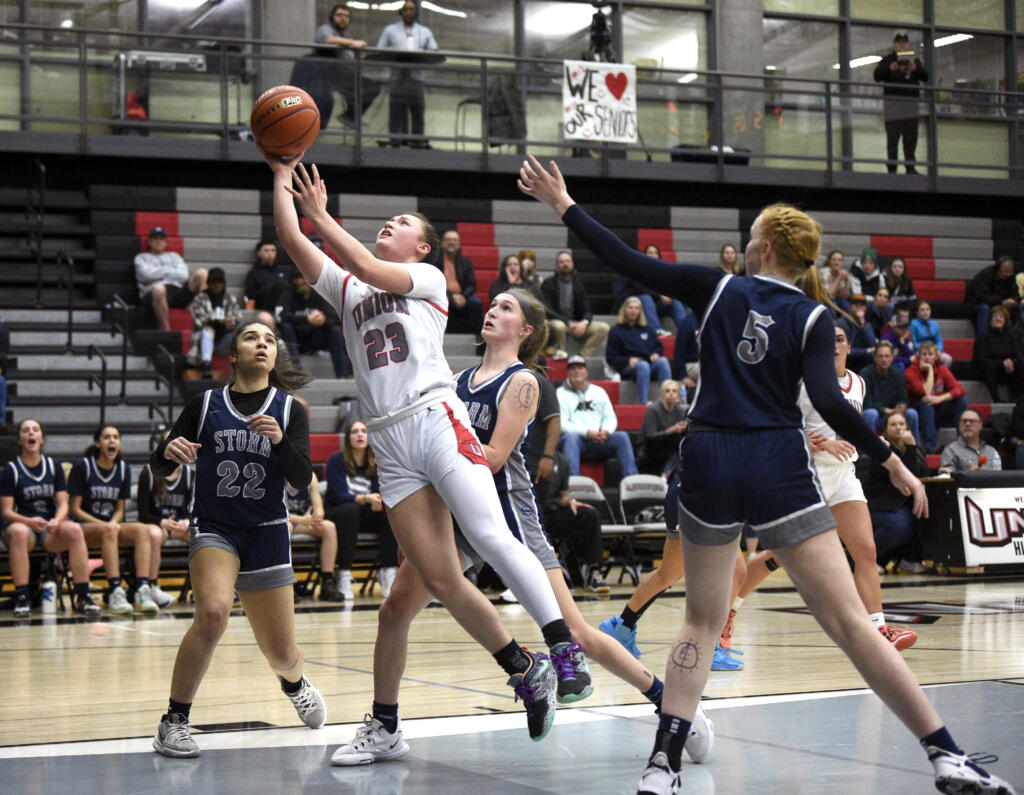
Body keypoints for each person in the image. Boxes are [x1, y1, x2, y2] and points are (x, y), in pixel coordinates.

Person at [518, 155, 1012, 795]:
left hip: (711, 458)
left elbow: (628, 263)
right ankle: (945, 753)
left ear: (767, 245)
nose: (745, 242)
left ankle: (661, 767)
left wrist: (565, 204)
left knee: (700, 622)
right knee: (851, 623)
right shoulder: (815, 318)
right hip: (777, 462)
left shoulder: (719, 288)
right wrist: (892, 459)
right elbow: (833, 406)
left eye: (752, 234)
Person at [267, 154, 589, 747]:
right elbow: (291, 237)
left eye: (400, 223)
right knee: (439, 578)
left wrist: (323, 214)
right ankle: (521, 669)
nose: (388, 226)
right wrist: (282, 176)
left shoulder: (430, 281)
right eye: (386, 220)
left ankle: (563, 650)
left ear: (423, 248)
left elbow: (359, 256)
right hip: (389, 439)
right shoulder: (346, 289)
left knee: (491, 534)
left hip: (435, 417)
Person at [331, 288, 712, 766]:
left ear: (526, 330)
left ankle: (672, 704)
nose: (492, 310)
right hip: (459, 518)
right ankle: (385, 724)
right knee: (393, 612)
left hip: (510, 518)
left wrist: (431, 451)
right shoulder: (456, 380)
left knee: (578, 635)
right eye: (491, 304)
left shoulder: (523, 382)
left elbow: (490, 458)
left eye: (506, 308)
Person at [150, 321, 326, 758]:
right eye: (252, 337)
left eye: (269, 339)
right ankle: (173, 720)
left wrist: (282, 442)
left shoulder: (290, 410)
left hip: (267, 532)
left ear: (275, 355)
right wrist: (166, 455)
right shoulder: (205, 403)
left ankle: (294, 683)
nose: (262, 344)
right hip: (215, 526)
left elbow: (302, 477)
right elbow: (161, 467)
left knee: (282, 652)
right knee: (212, 614)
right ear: (233, 353)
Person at [730, 324, 918, 653]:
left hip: (845, 476)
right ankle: (727, 613)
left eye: (840, 339)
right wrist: (819, 444)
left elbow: (854, 429)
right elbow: (777, 429)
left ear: (849, 347)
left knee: (866, 552)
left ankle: (879, 628)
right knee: (779, 556)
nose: (833, 345)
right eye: (827, 340)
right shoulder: (803, 383)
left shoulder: (858, 383)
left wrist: (873, 443)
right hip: (807, 475)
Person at [0, 418, 101, 617]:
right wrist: (28, 521)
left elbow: (63, 503)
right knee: (19, 532)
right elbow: (6, 511)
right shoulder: (11, 469)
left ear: (42, 438)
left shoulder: (53, 466)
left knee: (74, 529)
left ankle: (83, 596)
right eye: (26, 430)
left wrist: (57, 519)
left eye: (35, 430)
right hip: (21, 527)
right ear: (20, 439)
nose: (31, 433)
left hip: (48, 528)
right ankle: (22, 597)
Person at [68, 425, 161, 614]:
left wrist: (113, 523)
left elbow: (120, 509)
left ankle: (142, 589)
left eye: (116, 437)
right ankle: (115, 591)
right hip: (85, 529)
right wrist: (105, 525)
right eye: (107, 437)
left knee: (142, 530)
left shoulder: (123, 469)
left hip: (111, 528)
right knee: (110, 530)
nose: (112, 441)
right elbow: (74, 509)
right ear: (97, 443)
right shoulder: (83, 467)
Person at [324, 419, 399, 600]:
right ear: (348, 438)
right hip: (339, 515)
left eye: (364, 431)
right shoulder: (337, 460)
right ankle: (343, 574)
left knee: (388, 512)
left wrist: (378, 500)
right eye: (355, 431)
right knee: (350, 510)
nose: (360, 434)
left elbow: (380, 491)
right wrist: (365, 498)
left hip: (364, 515)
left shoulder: (376, 462)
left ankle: (388, 571)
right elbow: (336, 495)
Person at [859, 411, 931, 573]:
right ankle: (864, 559)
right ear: (885, 429)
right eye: (893, 425)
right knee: (900, 525)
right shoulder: (884, 448)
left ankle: (910, 559)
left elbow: (922, 474)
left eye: (901, 424)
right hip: (882, 503)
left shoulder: (916, 448)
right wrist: (911, 447)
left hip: (904, 502)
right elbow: (907, 476)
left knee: (930, 517)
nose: (898, 428)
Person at [537, 450, 608, 593]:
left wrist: (571, 501)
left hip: (551, 514)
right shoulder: (526, 455)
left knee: (589, 514)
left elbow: (563, 495)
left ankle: (592, 571)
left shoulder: (561, 460)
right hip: (528, 514)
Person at [557, 355, 638, 477]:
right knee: (570, 437)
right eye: (572, 368)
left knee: (622, 437)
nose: (576, 371)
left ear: (586, 372)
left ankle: (632, 480)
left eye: (580, 368)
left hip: (599, 438)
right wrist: (587, 432)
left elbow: (610, 417)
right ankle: (572, 483)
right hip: (577, 440)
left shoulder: (599, 391)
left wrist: (606, 430)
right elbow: (562, 423)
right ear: (567, 373)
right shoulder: (560, 393)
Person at [376, 0, 438, 148]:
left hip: (416, 77)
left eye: (411, 9)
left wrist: (419, 53)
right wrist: (396, 52)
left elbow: (434, 51)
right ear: (401, 12)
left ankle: (417, 142)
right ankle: (395, 141)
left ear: (415, 12)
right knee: (396, 110)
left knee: (417, 111)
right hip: (397, 77)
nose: (408, 12)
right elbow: (380, 49)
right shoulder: (390, 30)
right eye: (406, 9)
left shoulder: (424, 32)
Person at [136, 446, 192, 608]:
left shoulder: (189, 475)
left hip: (179, 526)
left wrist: (188, 521)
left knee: (202, 534)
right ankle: (152, 586)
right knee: (153, 534)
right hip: (156, 524)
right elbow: (143, 513)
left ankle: (203, 586)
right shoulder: (149, 473)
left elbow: (197, 507)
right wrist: (162, 522)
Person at [277, 267, 351, 378]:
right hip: (295, 340)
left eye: (305, 277)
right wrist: (307, 319)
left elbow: (335, 317)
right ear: (295, 281)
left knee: (334, 331)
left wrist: (323, 320)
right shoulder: (287, 294)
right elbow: (280, 317)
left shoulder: (319, 295)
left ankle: (343, 374)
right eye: (299, 278)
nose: (303, 281)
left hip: (314, 340)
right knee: (286, 327)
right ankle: (297, 373)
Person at [873, 32, 928, 174]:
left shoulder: (914, 61)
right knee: (892, 139)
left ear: (908, 44)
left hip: (910, 107)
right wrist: (889, 69)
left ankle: (910, 168)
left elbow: (925, 76)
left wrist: (915, 69)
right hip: (893, 108)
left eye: (904, 42)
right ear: (894, 44)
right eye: (899, 42)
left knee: (910, 140)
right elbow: (877, 76)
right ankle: (892, 169)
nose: (902, 45)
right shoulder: (887, 60)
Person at [134, 226, 207, 331]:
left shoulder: (174, 256)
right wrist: (170, 271)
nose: (158, 241)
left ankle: (206, 318)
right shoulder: (141, 258)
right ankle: (166, 331)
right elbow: (146, 276)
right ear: (149, 242)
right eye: (155, 238)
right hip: (152, 294)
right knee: (159, 289)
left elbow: (183, 275)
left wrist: (157, 272)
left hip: (176, 292)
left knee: (202, 273)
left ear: (166, 242)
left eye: (161, 238)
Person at [540, 250, 610, 359]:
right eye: (562, 262)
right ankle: (560, 353)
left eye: (568, 261)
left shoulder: (578, 282)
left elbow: (586, 306)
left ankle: (582, 356)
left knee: (603, 327)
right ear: (557, 265)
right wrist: (567, 322)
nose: (565, 264)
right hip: (559, 321)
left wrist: (584, 322)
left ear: (572, 263)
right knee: (559, 326)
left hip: (576, 323)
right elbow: (547, 309)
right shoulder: (548, 283)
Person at [286, 471, 343, 601]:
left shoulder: (310, 476)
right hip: (282, 521)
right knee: (286, 528)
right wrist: (301, 520)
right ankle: (287, 583)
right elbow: (275, 511)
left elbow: (319, 508)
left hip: (303, 521)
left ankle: (327, 582)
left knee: (329, 527)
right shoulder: (277, 473)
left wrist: (317, 515)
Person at [905, 341, 969, 454]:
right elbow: (925, 392)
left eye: (930, 354)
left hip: (938, 410)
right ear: (918, 356)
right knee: (926, 402)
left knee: (961, 401)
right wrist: (930, 370)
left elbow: (959, 389)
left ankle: (963, 443)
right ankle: (931, 447)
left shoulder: (942, 369)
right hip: (919, 413)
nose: (927, 357)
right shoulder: (911, 371)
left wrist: (940, 398)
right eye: (924, 354)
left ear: (936, 356)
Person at [605, 296, 672, 404]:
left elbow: (658, 346)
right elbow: (611, 357)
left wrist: (656, 354)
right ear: (624, 310)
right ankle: (643, 403)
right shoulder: (616, 331)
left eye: (636, 308)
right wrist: (628, 360)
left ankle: (666, 400)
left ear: (640, 311)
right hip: (629, 367)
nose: (633, 311)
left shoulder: (647, 329)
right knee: (643, 365)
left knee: (663, 361)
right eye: (630, 308)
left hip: (648, 363)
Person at [614, 245, 691, 337]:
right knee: (646, 298)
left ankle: (686, 332)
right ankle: (656, 330)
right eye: (650, 253)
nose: (653, 255)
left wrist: (669, 296)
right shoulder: (637, 269)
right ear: (644, 255)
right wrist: (660, 295)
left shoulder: (663, 271)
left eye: (655, 253)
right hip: (638, 304)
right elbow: (640, 289)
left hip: (656, 306)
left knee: (675, 301)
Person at [860, 340, 922, 444]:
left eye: (887, 356)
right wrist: (885, 410)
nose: (884, 359)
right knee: (871, 413)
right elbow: (865, 403)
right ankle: (869, 453)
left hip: (893, 414)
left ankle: (916, 450)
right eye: (880, 356)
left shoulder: (897, 374)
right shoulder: (865, 373)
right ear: (875, 358)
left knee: (912, 413)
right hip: (876, 416)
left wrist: (902, 405)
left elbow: (903, 398)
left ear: (892, 358)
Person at [187, 267, 242, 377]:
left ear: (224, 283)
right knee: (208, 330)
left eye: (220, 282)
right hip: (203, 340)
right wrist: (221, 322)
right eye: (214, 282)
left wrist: (233, 323)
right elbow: (199, 321)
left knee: (238, 335)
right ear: (208, 283)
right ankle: (206, 364)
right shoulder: (200, 298)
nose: (217, 285)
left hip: (223, 340)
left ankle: (241, 368)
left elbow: (238, 319)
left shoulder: (230, 299)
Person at [436, 229, 483, 336]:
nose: (451, 242)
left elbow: (472, 285)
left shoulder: (466, 262)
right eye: (448, 240)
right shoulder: (435, 261)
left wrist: (463, 296)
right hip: (442, 296)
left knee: (476, 303)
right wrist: (452, 296)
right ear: (442, 243)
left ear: (459, 244)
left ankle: (477, 339)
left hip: (463, 297)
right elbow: (433, 285)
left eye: (455, 240)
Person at [639, 379, 688, 478]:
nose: (671, 394)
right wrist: (671, 430)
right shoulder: (653, 409)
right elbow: (650, 437)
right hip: (652, 448)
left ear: (678, 395)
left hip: (670, 447)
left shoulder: (680, 411)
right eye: (667, 391)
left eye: (674, 391)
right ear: (662, 394)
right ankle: (665, 475)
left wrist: (684, 429)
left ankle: (666, 475)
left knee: (685, 447)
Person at [972, 305, 1021, 402]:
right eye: (995, 316)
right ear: (990, 320)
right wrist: (1002, 363)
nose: (998, 319)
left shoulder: (1011, 336)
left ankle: (1017, 398)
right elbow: (980, 359)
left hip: (1006, 369)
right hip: (985, 370)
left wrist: (1012, 363)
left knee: (1021, 365)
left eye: (1001, 317)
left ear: (1005, 321)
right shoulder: (983, 336)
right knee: (989, 367)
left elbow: (1018, 355)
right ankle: (996, 399)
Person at [244, 239, 291, 328]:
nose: (270, 253)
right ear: (259, 253)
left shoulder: (282, 272)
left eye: (273, 250)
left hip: (283, 311)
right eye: (266, 250)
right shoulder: (253, 274)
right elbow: (250, 296)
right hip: (263, 310)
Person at [965, 255, 1018, 333]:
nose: (1008, 274)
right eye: (1006, 272)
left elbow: (1015, 292)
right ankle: (984, 337)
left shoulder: (1010, 277)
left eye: (1011, 272)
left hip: (1001, 305)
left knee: (1019, 307)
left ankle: (1016, 337)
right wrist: (1002, 302)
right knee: (984, 308)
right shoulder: (984, 276)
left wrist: (1015, 299)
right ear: (998, 270)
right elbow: (983, 297)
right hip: (977, 305)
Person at [939, 409, 1002, 474]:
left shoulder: (991, 451)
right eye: (964, 421)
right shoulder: (951, 450)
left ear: (980, 425)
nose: (967, 424)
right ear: (959, 425)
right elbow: (948, 476)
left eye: (972, 421)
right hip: (964, 484)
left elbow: (999, 475)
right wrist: (968, 474)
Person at [910, 300, 952, 368]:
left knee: (947, 359)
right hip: (919, 351)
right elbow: (913, 343)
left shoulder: (934, 324)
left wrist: (938, 350)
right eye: (922, 310)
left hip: (933, 350)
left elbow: (939, 341)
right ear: (917, 313)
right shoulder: (913, 324)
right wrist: (925, 349)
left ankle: (939, 376)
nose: (925, 312)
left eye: (927, 309)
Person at [844, 294, 878, 372]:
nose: (859, 307)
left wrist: (863, 324)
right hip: (848, 363)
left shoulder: (866, 325)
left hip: (863, 363)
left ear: (866, 308)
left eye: (862, 305)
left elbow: (873, 345)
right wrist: (865, 351)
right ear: (850, 306)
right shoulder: (843, 323)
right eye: (856, 304)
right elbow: (846, 351)